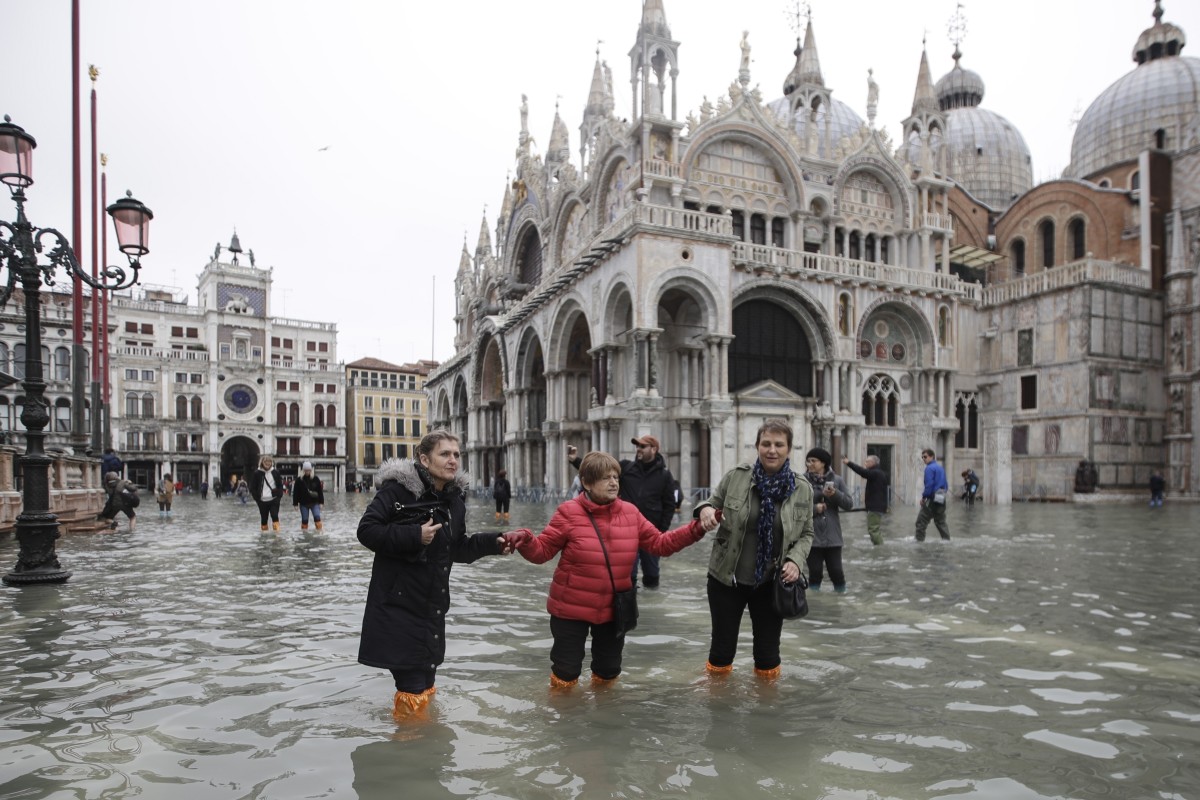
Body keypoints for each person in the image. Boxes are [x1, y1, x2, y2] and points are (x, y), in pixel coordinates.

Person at [357, 430, 527, 720]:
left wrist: (494, 543)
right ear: (424, 459)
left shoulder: (454, 500)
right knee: (412, 689)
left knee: (425, 687)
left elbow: (457, 548)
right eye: (444, 454)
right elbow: (366, 530)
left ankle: (426, 755)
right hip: (398, 608)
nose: (452, 461)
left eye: (456, 455)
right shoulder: (397, 491)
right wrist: (414, 535)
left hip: (431, 609)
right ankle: (411, 753)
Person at [513, 451, 715, 689]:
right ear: (587, 483)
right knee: (565, 674)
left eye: (616, 477)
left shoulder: (630, 513)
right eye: (605, 477)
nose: (613, 483)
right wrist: (525, 539)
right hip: (570, 609)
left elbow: (660, 544)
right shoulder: (568, 512)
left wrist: (696, 528)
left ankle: (602, 720)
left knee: (608, 673)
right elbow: (542, 552)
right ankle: (564, 718)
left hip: (613, 610)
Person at [695, 419, 814, 679]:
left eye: (779, 444)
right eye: (766, 444)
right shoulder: (736, 476)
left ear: (789, 449)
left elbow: (807, 533)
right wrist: (705, 510)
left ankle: (767, 711)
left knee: (768, 656)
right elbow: (710, 502)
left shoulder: (802, 488)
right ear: (758, 446)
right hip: (727, 579)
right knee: (722, 651)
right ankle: (719, 708)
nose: (772, 450)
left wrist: (795, 560)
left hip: (771, 583)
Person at [568, 434, 677, 589]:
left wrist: (661, 531)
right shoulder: (625, 468)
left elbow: (669, 505)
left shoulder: (665, 476)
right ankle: (628, 607)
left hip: (651, 533)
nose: (638, 449)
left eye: (642, 446)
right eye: (637, 446)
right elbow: (599, 472)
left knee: (652, 575)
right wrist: (575, 460)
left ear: (654, 449)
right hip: (625, 532)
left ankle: (651, 608)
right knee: (626, 576)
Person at [803, 448, 853, 592]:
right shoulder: (802, 481)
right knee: (815, 574)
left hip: (833, 537)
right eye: (808, 460)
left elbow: (849, 504)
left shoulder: (837, 480)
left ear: (823, 463)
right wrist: (814, 509)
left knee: (837, 573)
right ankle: (815, 606)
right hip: (811, 536)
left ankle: (840, 604)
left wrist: (835, 494)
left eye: (813, 461)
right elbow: (794, 508)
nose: (809, 464)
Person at [843, 454, 888, 545]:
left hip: (875, 507)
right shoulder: (878, 473)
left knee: (873, 530)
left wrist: (849, 463)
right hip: (877, 506)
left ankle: (880, 550)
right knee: (874, 529)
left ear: (873, 463)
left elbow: (862, 472)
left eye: (867, 461)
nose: (865, 463)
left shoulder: (876, 473)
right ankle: (879, 545)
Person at [915, 449, 951, 541]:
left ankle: (919, 542)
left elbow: (929, 484)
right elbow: (945, 484)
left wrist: (924, 497)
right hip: (941, 496)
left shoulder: (929, 468)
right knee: (940, 521)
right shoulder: (940, 468)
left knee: (921, 521)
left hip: (932, 497)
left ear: (932, 456)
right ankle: (946, 540)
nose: (923, 459)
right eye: (922, 457)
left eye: (925, 457)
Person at [249, 455, 284, 531]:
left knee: (275, 516)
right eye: (266, 461)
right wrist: (257, 499)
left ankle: (277, 535)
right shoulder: (257, 473)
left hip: (274, 499)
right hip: (262, 500)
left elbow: (280, 485)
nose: (268, 463)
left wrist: (279, 497)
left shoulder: (276, 472)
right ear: (262, 462)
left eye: (269, 461)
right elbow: (253, 487)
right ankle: (264, 537)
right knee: (264, 519)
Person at [293, 461, 325, 530]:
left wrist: (321, 502)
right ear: (303, 470)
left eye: (309, 470)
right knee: (304, 520)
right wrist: (295, 504)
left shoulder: (316, 479)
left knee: (317, 518)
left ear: (311, 470)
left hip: (314, 503)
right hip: (303, 503)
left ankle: (319, 532)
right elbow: (296, 493)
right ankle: (304, 534)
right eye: (306, 470)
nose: (307, 471)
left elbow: (320, 491)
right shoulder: (299, 480)